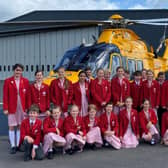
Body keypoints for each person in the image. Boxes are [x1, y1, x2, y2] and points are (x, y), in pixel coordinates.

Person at [3, 63, 30, 154]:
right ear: (14, 70)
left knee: (19, 126)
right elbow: (5, 96)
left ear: (22, 71)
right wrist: (5, 108)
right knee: (11, 126)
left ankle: (18, 145)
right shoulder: (7, 81)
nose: (18, 72)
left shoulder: (25, 81)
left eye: (20, 70)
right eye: (16, 70)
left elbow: (27, 96)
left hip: (22, 107)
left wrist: (27, 107)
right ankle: (13, 146)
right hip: (11, 107)